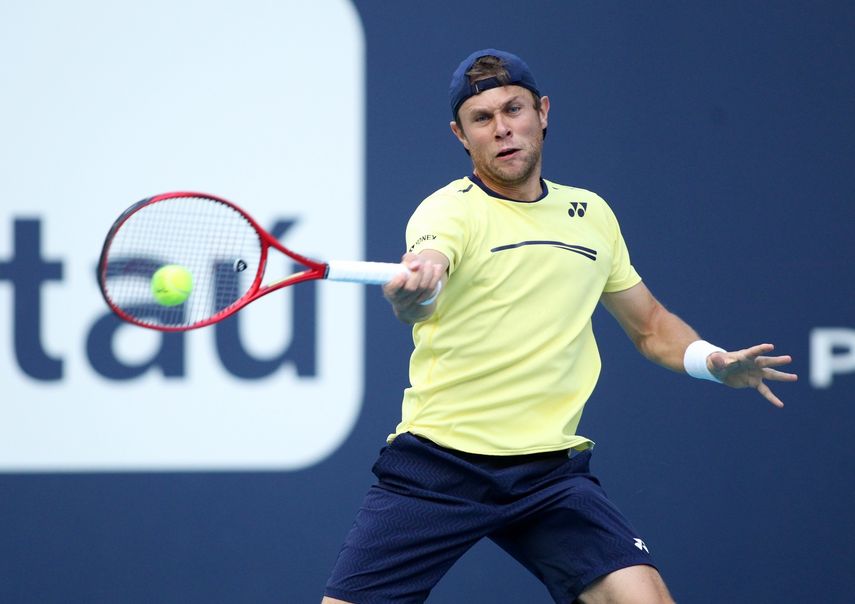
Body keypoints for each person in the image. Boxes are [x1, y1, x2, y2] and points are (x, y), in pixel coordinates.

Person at [322, 49, 797, 604]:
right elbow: (426, 280)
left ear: (542, 112)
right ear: (461, 136)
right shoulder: (447, 211)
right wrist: (416, 293)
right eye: (482, 118)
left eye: (513, 109)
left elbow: (650, 325)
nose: (502, 128)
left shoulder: (591, 214)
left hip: (548, 474)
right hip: (441, 465)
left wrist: (712, 363)